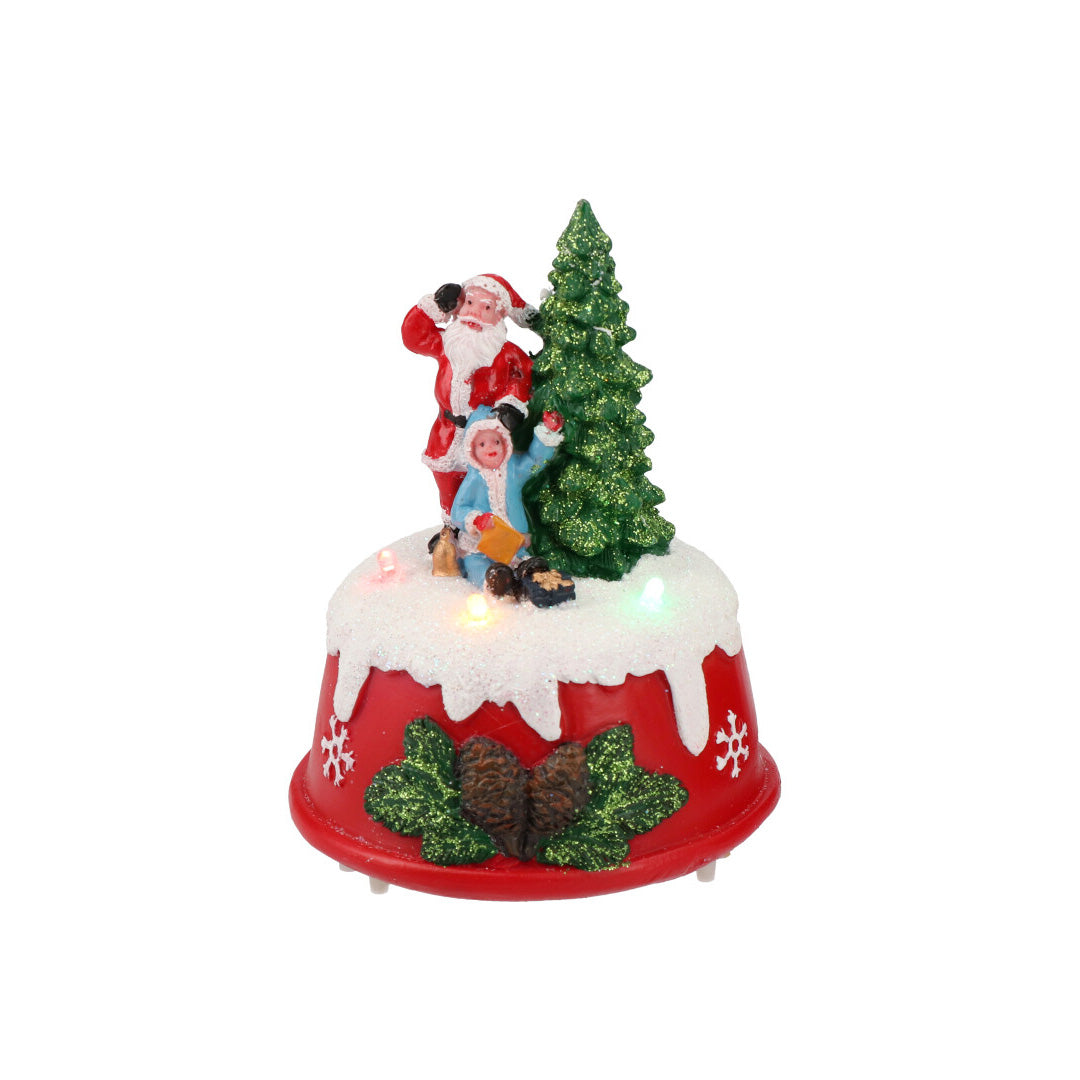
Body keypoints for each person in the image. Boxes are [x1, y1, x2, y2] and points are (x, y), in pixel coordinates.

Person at [401, 274, 538, 521]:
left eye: (486, 308)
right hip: (446, 434)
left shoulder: (507, 354)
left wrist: (511, 405)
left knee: (485, 488)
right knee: (447, 485)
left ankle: (489, 531)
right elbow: (414, 337)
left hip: (486, 439)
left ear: (500, 315)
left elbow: (524, 377)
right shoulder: (447, 344)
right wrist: (436, 305)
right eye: (470, 303)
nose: (474, 314)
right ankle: (450, 528)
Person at [450, 405, 564, 590]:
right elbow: (458, 511)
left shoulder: (513, 470)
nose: (490, 448)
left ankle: (531, 580)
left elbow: (535, 462)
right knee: (476, 564)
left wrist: (547, 432)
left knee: (524, 563)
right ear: (471, 449)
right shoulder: (474, 479)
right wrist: (476, 520)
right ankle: (493, 583)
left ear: (505, 442)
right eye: (482, 444)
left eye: (496, 441)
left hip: (513, 543)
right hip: (481, 545)